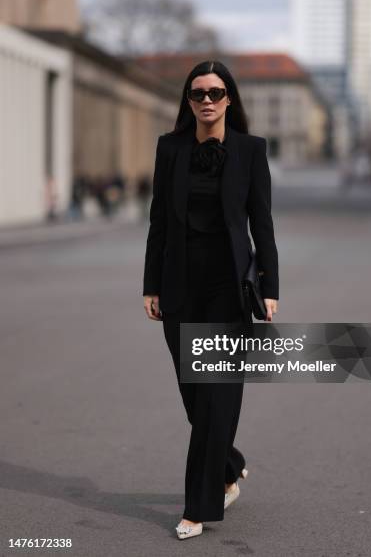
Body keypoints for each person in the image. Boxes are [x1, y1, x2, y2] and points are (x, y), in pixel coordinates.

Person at [142, 60, 279, 540]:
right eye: (197, 93)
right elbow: (159, 222)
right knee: (195, 398)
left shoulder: (249, 150)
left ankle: (197, 508)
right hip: (179, 289)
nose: (206, 100)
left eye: (215, 93)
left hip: (229, 291)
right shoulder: (170, 149)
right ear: (188, 100)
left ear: (228, 99)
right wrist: (151, 284)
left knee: (216, 393)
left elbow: (261, 223)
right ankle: (229, 465)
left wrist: (270, 287)